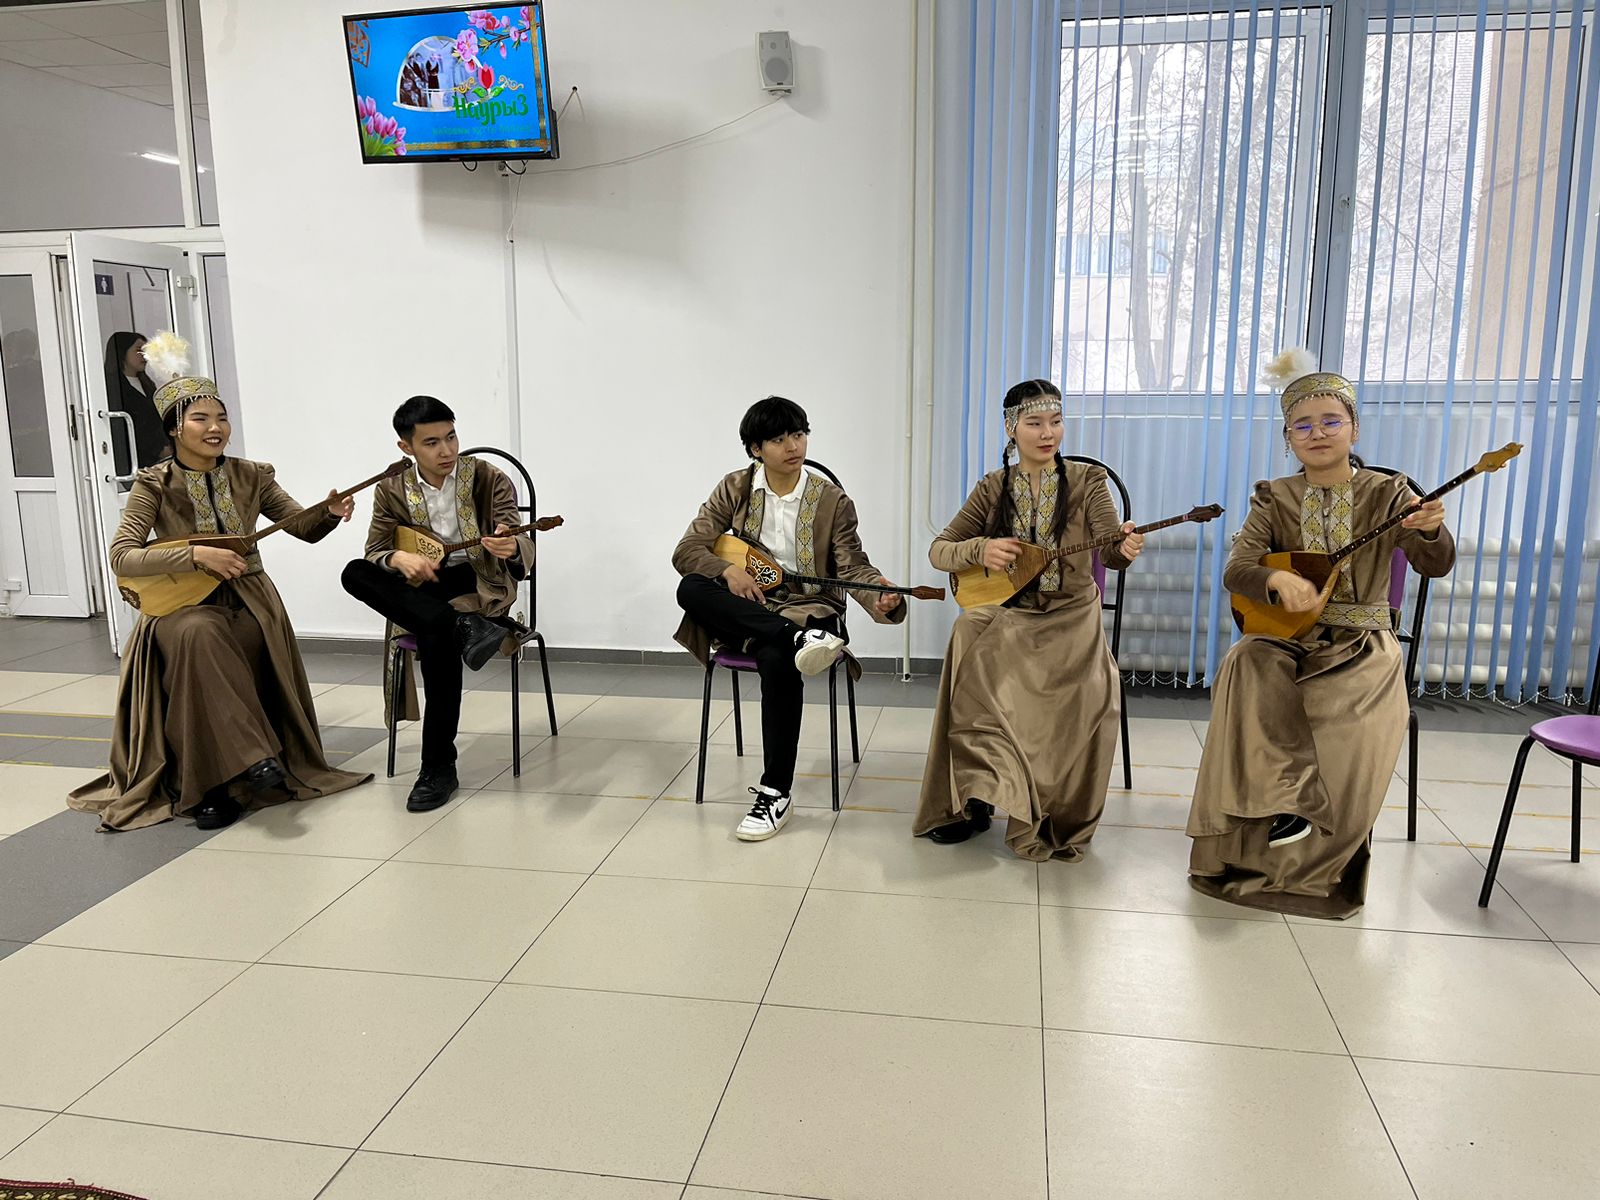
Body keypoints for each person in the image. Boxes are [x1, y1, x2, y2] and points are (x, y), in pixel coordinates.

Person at [1184, 349, 1454, 918]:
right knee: (1245, 662)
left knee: (1344, 717)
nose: (1318, 433)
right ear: (1288, 438)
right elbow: (1237, 569)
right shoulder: (1274, 495)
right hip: (1287, 637)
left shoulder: (1389, 493)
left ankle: (1311, 861)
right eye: (1302, 425)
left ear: (1355, 428)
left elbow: (1434, 564)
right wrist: (1274, 578)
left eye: (1331, 420)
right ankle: (1280, 808)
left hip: (1363, 646)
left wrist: (1432, 530)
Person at [69, 332, 370, 831]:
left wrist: (329, 514)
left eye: (222, 417)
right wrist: (193, 554)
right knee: (198, 633)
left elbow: (301, 527)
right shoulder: (154, 484)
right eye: (201, 419)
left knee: (220, 642)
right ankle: (247, 765)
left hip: (248, 600)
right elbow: (122, 555)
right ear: (174, 428)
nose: (216, 428)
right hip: (179, 607)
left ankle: (219, 786)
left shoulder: (253, 475)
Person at [913, 379, 1144, 861]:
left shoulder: (1088, 481)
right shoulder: (992, 487)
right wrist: (980, 549)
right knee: (968, 630)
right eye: (1035, 423)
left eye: (1056, 422)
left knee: (1085, 688)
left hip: (1072, 617)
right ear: (1011, 428)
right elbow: (939, 550)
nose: (1047, 433)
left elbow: (1108, 548)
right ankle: (972, 795)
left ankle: (1051, 806)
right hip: (1013, 613)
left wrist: (1123, 547)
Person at [672, 395, 906, 841]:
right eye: (778, 439)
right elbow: (686, 550)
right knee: (691, 588)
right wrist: (728, 571)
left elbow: (852, 567)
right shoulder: (734, 488)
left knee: (777, 659)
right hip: (748, 610)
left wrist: (880, 597)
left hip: (809, 610)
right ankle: (796, 639)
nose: (793, 446)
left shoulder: (832, 501)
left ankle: (775, 792)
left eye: (798, 435)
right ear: (756, 449)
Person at [340, 396, 535, 813]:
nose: (446, 450)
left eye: (451, 437)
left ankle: (437, 767)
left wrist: (510, 545)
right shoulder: (391, 488)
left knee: (435, 637)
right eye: (431, 442)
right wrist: (398, 558)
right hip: (422, 585)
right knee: (354, 572)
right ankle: (464, 628)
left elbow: (518, 537)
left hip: (476, 579)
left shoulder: (488, 477)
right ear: (406, 447)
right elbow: (375, 549)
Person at [103, 332, 167, 477]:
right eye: (139, 350)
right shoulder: (113, 386)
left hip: (159, 459)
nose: (144, 355)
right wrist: (158, 449)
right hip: (133, 460)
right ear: (122, 352)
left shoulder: (147, 384)